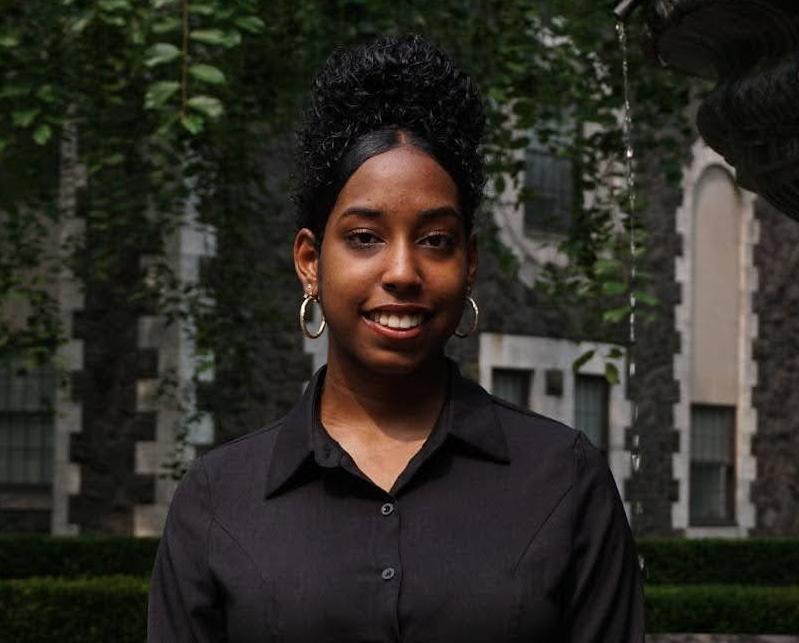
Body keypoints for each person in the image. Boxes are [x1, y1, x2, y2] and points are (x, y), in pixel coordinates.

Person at [147, 34, 645, 642]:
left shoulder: (565, 479)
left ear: (469, 263)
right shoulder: (219, 498)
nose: (403, 272)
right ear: (310, 262)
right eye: (365, 238)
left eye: (436, 240)